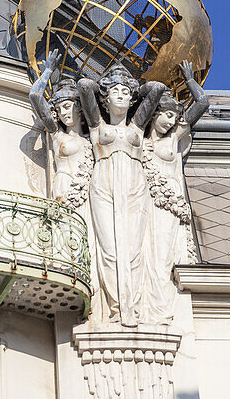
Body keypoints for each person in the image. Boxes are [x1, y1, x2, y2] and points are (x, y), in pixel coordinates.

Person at [78, 65, 165, 326]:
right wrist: (103, 85)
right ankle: (115, 308)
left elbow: (157, 89)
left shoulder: (137, 127)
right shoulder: (97, 126)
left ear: (132, 98)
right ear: (104, 99)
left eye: (125, 92)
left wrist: (136, 89)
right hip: (103, 185)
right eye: (114, 91)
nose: (119, 95)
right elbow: (84, 86)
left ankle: (133, 309)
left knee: (133, 250)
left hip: (135, 186)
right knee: (109, 250)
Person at [142, 60, 210, 323]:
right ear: (154, 113)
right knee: (150, 256)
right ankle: (153, 306)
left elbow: (202, 104)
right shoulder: (140, 139)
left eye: (173, 116)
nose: (169, 121)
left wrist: (190, 79)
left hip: (171, 206)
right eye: (165, 115)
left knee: (166, 256)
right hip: (147, 203)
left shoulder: (174, 137)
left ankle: (163, 310)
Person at [29, 49, 93, 210]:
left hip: (88, 190)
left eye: (66, 106)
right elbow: (35, 96)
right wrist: (48, 71)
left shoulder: (91, 138)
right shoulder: (57, 134)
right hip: (64, 188)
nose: (63, 113)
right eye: (58, 110)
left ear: (78, 106)